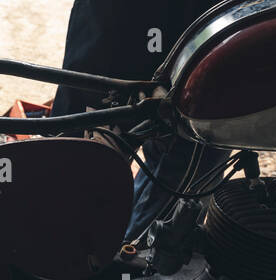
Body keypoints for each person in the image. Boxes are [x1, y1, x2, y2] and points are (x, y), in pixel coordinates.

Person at [52, 0, 230, 238]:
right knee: (76, 167)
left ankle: (130, 260)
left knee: (188, 163)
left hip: (198, 32)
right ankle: (70, 255)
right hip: (123, 29)